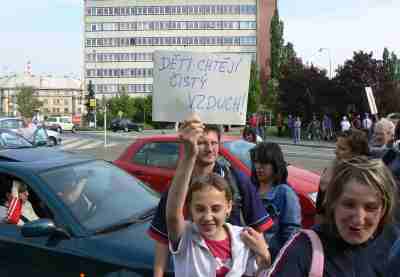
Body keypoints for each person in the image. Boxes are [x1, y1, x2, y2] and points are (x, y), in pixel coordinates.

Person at [148, 119, 274, 277]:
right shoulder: (177, 190)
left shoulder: (237, 180)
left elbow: (257, 231)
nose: (209, 149)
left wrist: (264, 254)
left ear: (228, 206)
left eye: (214, 143)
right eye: (202, 143)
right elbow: (164, 232)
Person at [246, 156, 397, 277]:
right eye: (349, 205)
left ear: (384, 209)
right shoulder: (303, 250)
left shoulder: (391, 244)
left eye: (371, 207)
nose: (359, 218)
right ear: (333, 204)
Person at [250, 142, 301, 261]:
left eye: (264, 163)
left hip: (271, 258)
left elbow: (291, 234)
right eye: (256, 162)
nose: (259, 167)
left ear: (275, 164)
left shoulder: (284, 193)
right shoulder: (251, 188)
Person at [315, 129, 369, 222]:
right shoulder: (331, 169)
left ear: (357, 153)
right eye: (337, 147)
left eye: (342, 149)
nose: (336, 151)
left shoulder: (363, 177)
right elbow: (320, 210)